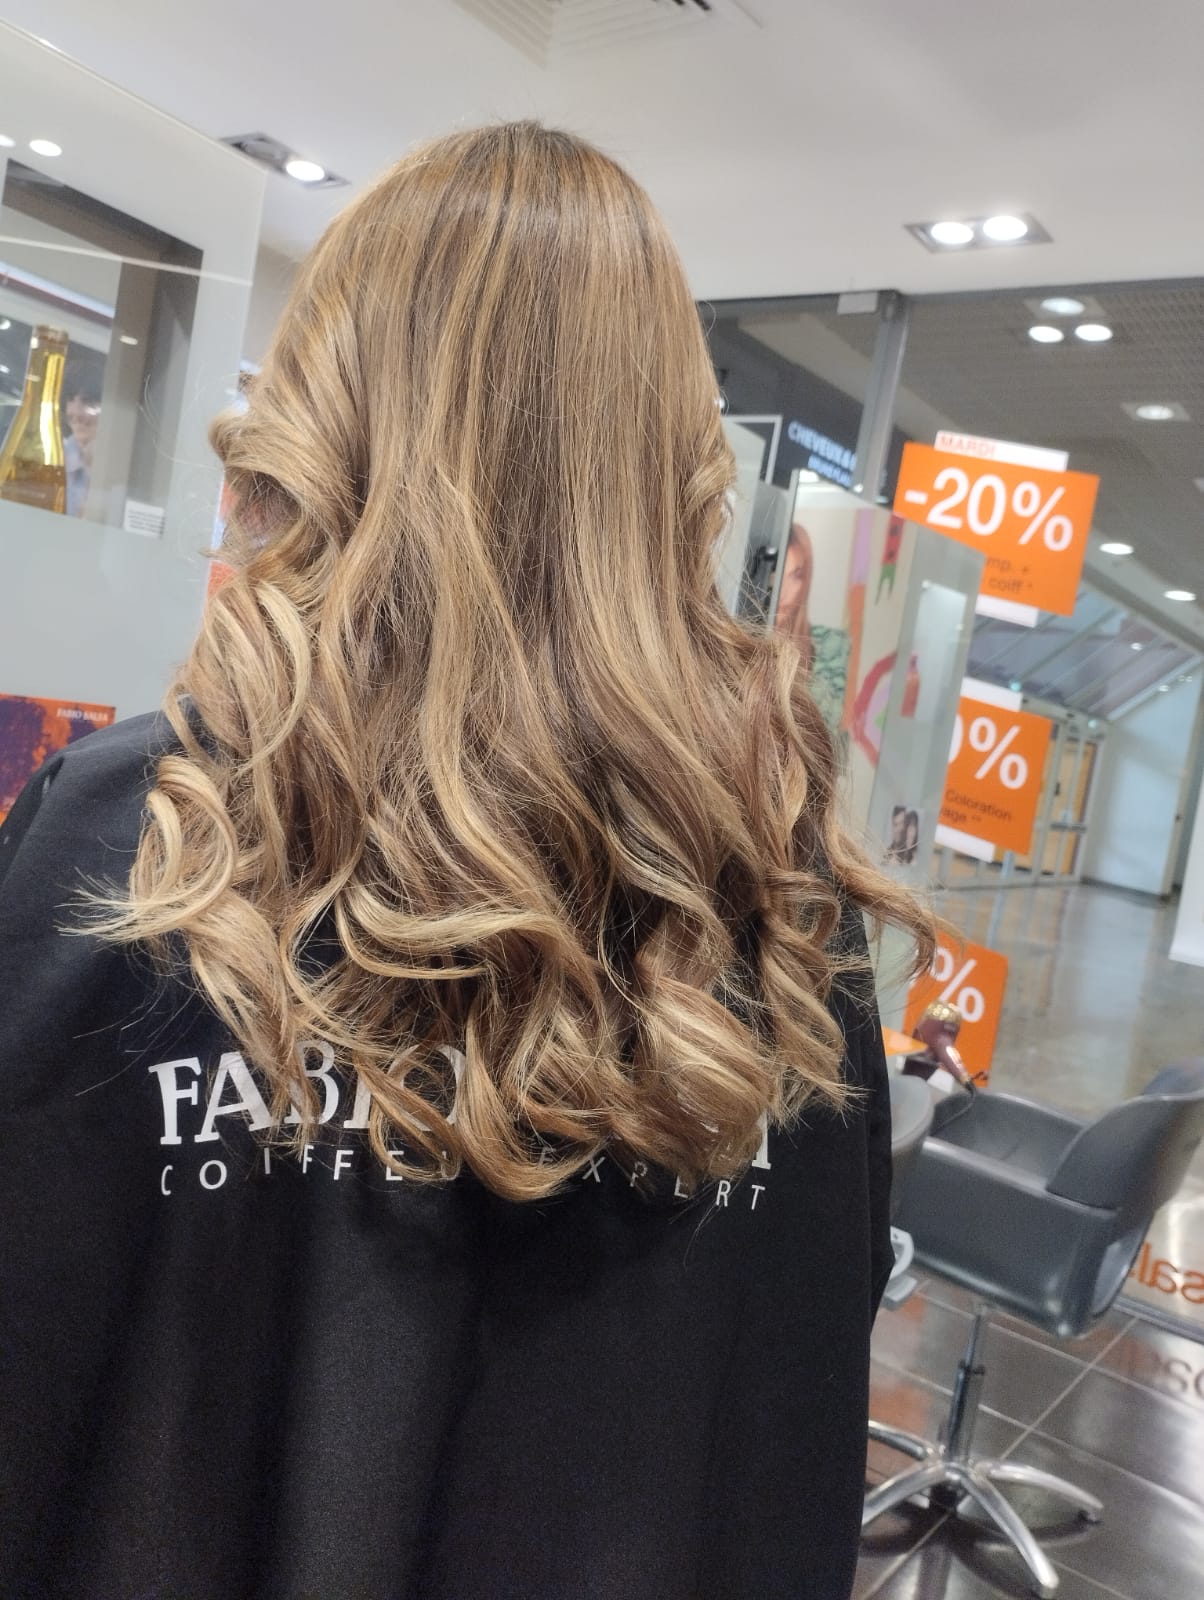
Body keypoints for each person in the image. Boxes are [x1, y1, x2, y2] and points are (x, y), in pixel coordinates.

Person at [0, 123, 932, 1600]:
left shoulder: (131, 832)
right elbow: (787, 1426)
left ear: (325, 405)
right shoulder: (780, 908)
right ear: (667, 466)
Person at [63, 385, 100, 516]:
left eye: (87, 400)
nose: (76, 412)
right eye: (71, 398)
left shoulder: (124, 464)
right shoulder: (58, 456)